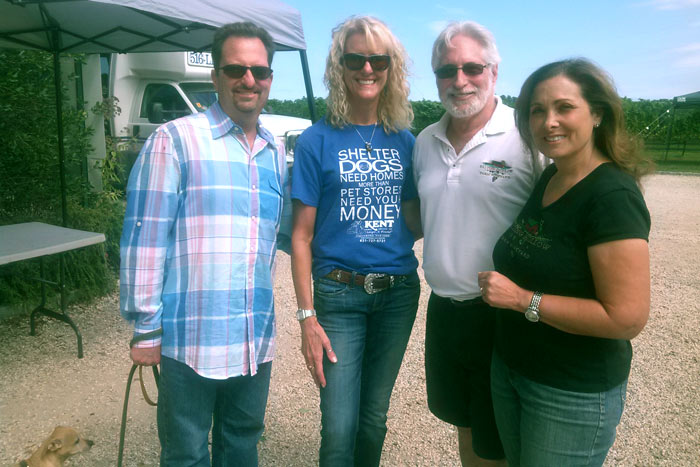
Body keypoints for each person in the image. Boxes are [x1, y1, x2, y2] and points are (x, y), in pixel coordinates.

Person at [120, 22, 290, 466]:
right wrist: (145, 326)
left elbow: (277, 240)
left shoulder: (274, 150)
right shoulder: (174, 140)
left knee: (241, 445)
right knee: (186, 454)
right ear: (215, 77)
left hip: (254, 337)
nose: (248, 80)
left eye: (259, 70)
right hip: (189, 339)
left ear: (270, 78)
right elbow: (145, 238)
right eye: (235, 69)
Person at [479, 58, 652, 466]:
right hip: (513, 369)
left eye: (564, 107)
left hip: (568, 392)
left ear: (597, 114)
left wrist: (523, 299)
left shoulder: (612, 197)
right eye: (537, 111)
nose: (549, 121)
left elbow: (626, 318)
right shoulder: (552, 177)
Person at [412, 21, 547, 466]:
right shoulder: (425, 142)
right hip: (445, 309)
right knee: (465, 425)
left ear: (493, 71)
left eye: (472, 67)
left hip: (502, 316)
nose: (459, 80)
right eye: (446, 71)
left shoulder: (526, 137)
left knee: (502, 437)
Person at [290, 16, 421, 467]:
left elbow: (416, 218)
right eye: (356, 59)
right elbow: (301, 236)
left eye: (378, 60)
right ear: (339, 67)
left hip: (398, 293)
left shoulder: (405, 141)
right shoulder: (315, 142)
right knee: (339, 424)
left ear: (391, 68)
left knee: (373, 419)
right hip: (339, 294)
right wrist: (307, 315)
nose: (367, 69)